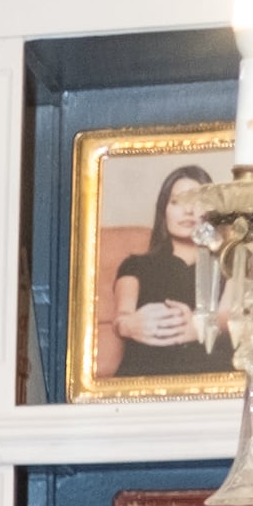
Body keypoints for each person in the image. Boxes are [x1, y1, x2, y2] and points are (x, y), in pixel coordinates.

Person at [101, 163, 227, 380]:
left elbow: (229, 316)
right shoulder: (135, 266)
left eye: (197, 201)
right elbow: (121, 318)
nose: (188, 210)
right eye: (177, 201)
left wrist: (202, 325)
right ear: (164, 211)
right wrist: (131, 326)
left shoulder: (229, 263)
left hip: (212, 381)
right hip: (145, 381)